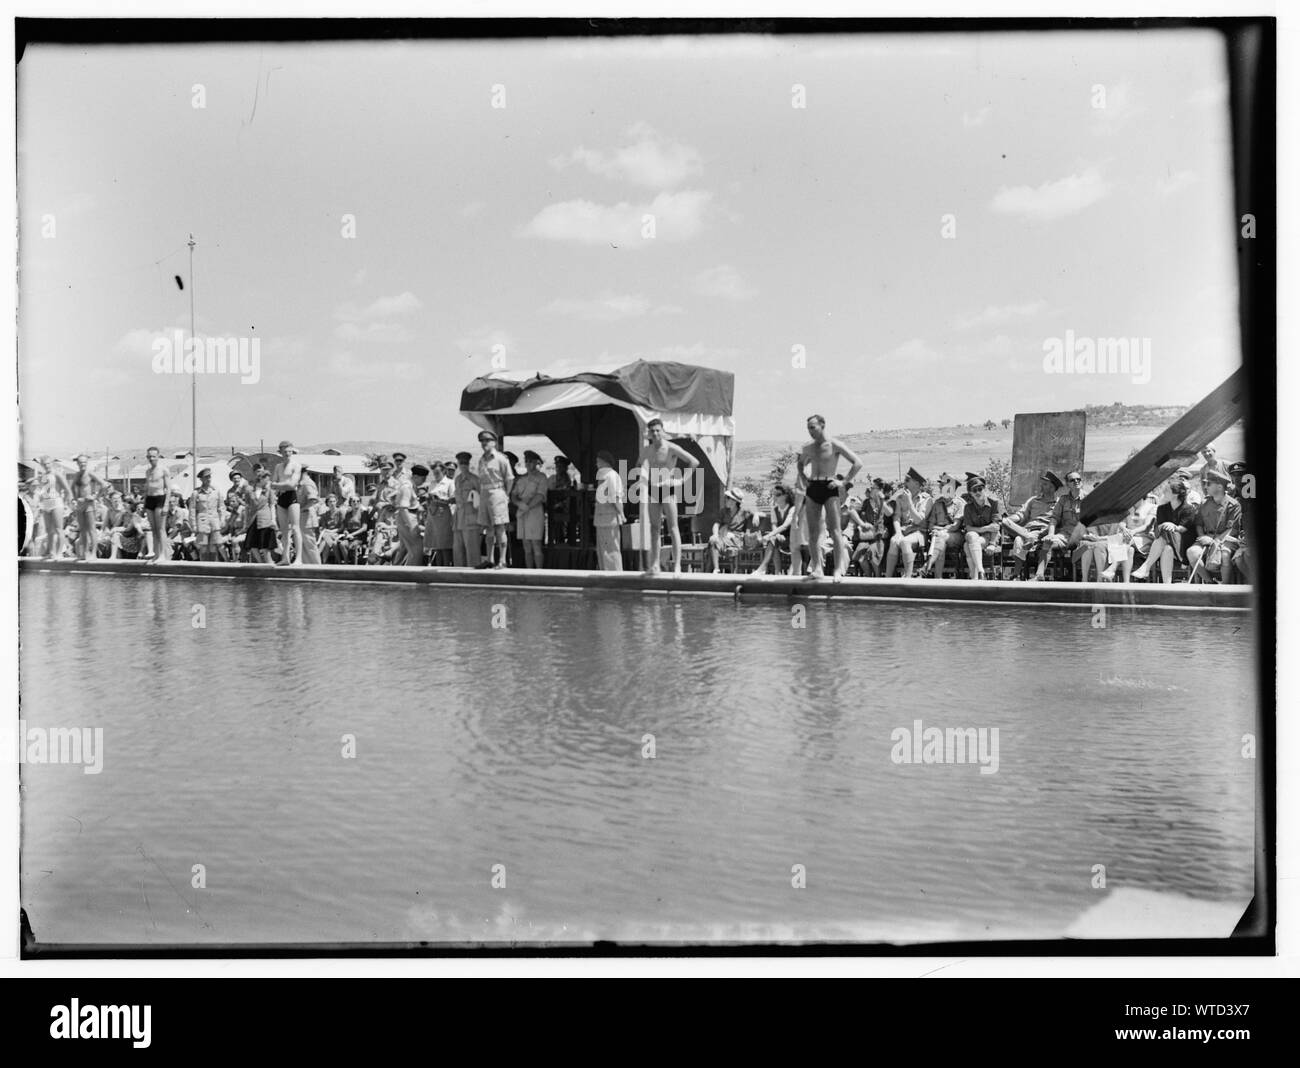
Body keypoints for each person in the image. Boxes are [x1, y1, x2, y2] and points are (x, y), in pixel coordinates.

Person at [795, 414, 863, 580]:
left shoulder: (834, 444)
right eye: (808, 428)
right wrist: (803, 476)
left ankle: (838, 569)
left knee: (835, 530)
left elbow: (857, 463)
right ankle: (817, 568)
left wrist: (844, 482)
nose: (810, 431)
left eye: (813, 427)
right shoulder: (808, 447)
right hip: (813, 487)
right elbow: (800, 462)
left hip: (829, 486)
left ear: (822, 425)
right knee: (813, 531)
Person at [636, 418, 701, 575]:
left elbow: (694, 462)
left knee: (673, 528)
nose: (656, 433)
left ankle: (677, 565)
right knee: (654, 529)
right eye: (653, 431)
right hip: (653, 490)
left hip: (667, 490)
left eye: (658, 430)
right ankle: (655, 565)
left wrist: (681, 481)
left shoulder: (671, 447)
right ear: (649, 433)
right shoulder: (647, 450)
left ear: (662, 431)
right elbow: (638, 465)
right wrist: (643, 478)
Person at [1130, 478, 1197, 583]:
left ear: (1175, 494)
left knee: (1167, 531)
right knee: (1167, 548)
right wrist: (1166, 526)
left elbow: (1183, 529)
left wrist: (1173, 526)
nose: (1163, 492)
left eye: (1166, 490)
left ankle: (1146, 567)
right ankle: (1167, 585)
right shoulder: (1162, 508)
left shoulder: (1189, 509)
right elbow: (1159, 529)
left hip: (1183, 545)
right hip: (1166, 543)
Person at [1002, 471, 1062, 581]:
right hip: (1027, 530)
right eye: (1042, 483)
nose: (1041, 486)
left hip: (1044, 531)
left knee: (1021, 540)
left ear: (1053, 488)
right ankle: (1017, 573)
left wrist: (1050, 531)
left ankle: (1021, 575)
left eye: (1045, 484)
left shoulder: (1059, 503)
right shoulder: (1033, 500)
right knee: (1006, 524)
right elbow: (1022, 515)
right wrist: (1011, 519)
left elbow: (1059, 521)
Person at [1186, 468, 1241, 583]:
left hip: (1226, 539)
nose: (1206, 487)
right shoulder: (1205, 503)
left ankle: (1225, 588)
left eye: (1209, 484)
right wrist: (1202, 537)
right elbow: (1199, 524)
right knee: (1192, 552)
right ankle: (1211, 582)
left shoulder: (1233, 505)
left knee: (1225, 554)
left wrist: (1214, 541)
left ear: (1220, 487)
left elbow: (1232, 529)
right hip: (1207, 538)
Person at [474, 432, 514, 568]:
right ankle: (489, 559)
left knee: (500, 528)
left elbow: (509, 478)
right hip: (485, 493)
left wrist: (505, 495)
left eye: (487, 440)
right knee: (488, 529)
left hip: (497, 492)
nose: (484, 443)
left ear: (494, 442)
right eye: (482, 441)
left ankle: (502, 560)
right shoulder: (482, 459)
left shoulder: (501, 459)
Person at [1038, 470, 1085, 580]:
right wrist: (1050, 534)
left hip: (1083, 535)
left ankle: (1084, 579)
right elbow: (1054, 518)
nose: (1076, 481)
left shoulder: (1089, 498)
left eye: (1078, 479)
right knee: (1047, 542)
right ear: (1068, 484)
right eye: (1072, 480)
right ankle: (1039, 575)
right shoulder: (1063, 500)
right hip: (1066, 535)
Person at [882, 467, 928, 579]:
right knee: (894, 541)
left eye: (907, 480)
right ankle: (888, 578)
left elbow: (919, 520)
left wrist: (910, 502)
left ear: (917, 483)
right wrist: (898, 532)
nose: (904, 483)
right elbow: (896, 517)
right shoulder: (900, 498)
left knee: (904, 542)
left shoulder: (926, 499)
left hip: (919, 532)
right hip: (904, 530)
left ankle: (908, 577)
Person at [917, 474, 965, 578]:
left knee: (940, 537)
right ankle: (937, 579)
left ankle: (927, 566)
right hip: (939, 536)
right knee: (940, 542)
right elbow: (930, 526)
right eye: (941, 486)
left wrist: (940, 530)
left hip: (955, 536)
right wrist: (939, 530)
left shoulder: (960, 503)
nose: (940, 488)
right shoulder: (937, 504)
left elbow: (955, 526)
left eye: (943, 485)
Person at [958, 474, 1002, 580]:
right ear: (970, 493)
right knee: (971, 536)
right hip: (976, 535)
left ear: (984, 489)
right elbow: (968, 528)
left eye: (980, 489)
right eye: (974, 490)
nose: (978, 492)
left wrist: (992, 544)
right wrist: (985, 528)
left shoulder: (994, 503)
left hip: (990, 536)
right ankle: (980, 571)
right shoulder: (968, 507)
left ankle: (974, 576)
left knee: (967, 547)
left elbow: (996, 527)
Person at [512, 451, 549, 569]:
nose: (528, 463)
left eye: (531, 461)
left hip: (535, 512)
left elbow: (540, 495)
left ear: (537, 463)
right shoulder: (521, 479)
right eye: (526, 461)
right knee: (526, 546)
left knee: (536, 545)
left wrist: (526, 508)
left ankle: (539, 573)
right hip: (522, 513)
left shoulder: (541, 477)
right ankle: (529, 572)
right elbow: (513, 495)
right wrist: (518, 503)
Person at [67, 453, 107, 560]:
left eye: (84, 462)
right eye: (80, 462)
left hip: (89, 505)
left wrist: (96, 496)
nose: (82, 464)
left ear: (87, 463)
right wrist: (74, 499)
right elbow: (71, 488)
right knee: (83, 531)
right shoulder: (77, 475)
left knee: (92, 530)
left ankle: (93, 553)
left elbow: (104, 484)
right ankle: (85, 553)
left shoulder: (90, 473)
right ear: (77, 463)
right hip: (80, 505)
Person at [271, 440, 303, 566]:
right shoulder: (278, 467)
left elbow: (292, 484)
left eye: (290, 452)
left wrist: (277, 485)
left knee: (295, 528)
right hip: (281, 498)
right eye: (285, 452)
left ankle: (299, 558)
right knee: (284, 531)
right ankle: (285, 557)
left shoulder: (296, 466)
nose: (287, 454)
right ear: (280, 452)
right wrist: (278, 486)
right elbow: (273, 484)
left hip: (292, 497)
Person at [593, 450, 626, 571]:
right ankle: (606, 574)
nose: (596, 464)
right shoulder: (604, 475)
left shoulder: (611, 476)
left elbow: (615, 497)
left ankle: (615, 575)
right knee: (603, 551)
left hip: (609, 517)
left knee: (611, 550)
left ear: (604, 462)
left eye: (598, 461)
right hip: (603, 518)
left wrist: (621, 513)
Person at [390, 456, 424, 566]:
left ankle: (403, 573)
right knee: (417, 549)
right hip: (407, 518)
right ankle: (412, 575)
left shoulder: (410, 486)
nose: (423, 482)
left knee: (409, 549)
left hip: (407, 518)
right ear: (415, 476)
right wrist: (412, 526)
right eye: (422, 479)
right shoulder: (407, 487)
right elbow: (403, 508)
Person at [141, 446, 172, 562]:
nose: (151, 458)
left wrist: (166, 504)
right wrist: (144, 504)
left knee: (161, 529)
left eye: (153, 456)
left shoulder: (164, 470)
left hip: (160, 499)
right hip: (150, 499)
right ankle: (156, 554)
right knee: (153, 529)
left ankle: (163, 555)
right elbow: (146, 489)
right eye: (149, 456)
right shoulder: (148, 471)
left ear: (158, 456)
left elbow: (168, 488)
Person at [452, 451, 483, 568]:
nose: (463, 465)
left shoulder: (475, 479)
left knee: (472, 551)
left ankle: (474, 575)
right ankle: (458, 574)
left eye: (465, 463)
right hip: (458, 518)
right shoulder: (457, 479)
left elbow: (482, 499)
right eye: (461, 463)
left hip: (471, 518)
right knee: (458, 550)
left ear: (469, 464)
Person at [189, 467, 226, 562]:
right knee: (203, 547)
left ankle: (214, 567)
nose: (208, 479)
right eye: (206, 477)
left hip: (214, 521)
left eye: (209, 477)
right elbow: (192, 510)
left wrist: (222, 520)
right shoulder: (196, 493)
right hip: (202, 522)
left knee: (214, 546)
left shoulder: (216, 491)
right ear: (201, 479)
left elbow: (221, 507)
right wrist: (193, 525)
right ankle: (204, 567)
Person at [244, 469, 279, 563]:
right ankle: (260, 562)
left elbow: (272, 505)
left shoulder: (269, 490)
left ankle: (269, 562)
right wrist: (245, 522)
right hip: (253, 518)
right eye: (266, 479)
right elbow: (247, 507)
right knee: (252, 544)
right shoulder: (249, 490)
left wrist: (273, 519)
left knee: (265, 545)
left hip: (265, 518)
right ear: (261, 478)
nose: (268, 482)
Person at [298, 466, 324, 564]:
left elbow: (313, 499)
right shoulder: (301, 483)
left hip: (307, 517)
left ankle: (317, 567)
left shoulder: (307, 483)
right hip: (302, 518)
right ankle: (307, 567)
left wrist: (301, 509)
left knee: (310, 545)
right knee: (303, 545)